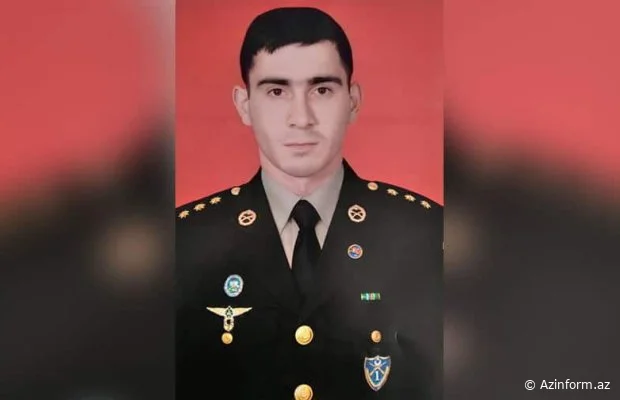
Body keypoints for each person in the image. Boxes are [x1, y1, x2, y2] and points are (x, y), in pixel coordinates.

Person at [176, 7, 442, 400]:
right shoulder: (185, 242)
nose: (301, 118)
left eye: (322, 90)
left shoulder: (424, 234)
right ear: (244, 104)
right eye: (276, 91)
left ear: (353, 101)